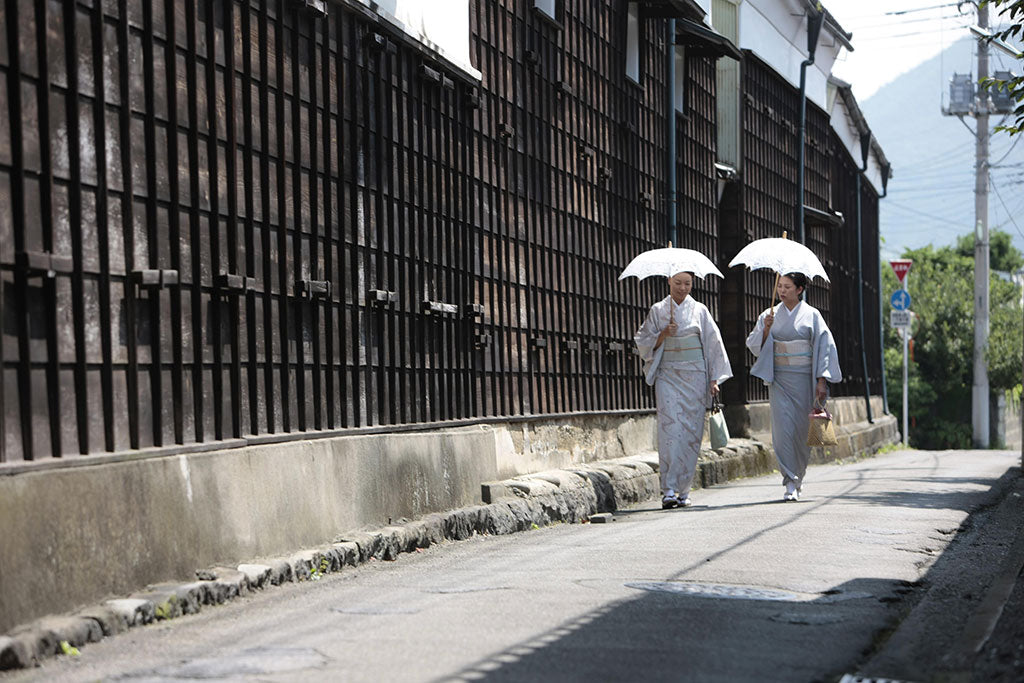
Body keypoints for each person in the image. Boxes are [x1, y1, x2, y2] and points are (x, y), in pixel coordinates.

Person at [634, 271, 732, 509]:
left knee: (691, 431)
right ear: (669, 281)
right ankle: (668, 489)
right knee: (669, 429)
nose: (682, 288)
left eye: (687, 283)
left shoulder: (700, 310)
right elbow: (643, 341)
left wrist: (713, 379)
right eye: (677, 283)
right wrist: (663, 334)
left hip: (695, 375)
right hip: (668, 373)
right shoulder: (658, 310)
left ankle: (684, 489)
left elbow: (713, 344)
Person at [745, 272, 841, 501]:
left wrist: (821, 381)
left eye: (787, 286)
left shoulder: (812, 315)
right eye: (780, 286)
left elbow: (823, 347)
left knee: (800, 431)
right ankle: (789, 480)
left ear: (799, 289)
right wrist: (766, 329)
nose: (782, 290)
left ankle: (798, 476)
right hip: (780, 379)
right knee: (782, 432)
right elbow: (754, 345)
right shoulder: (769, 314)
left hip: (804, 379)